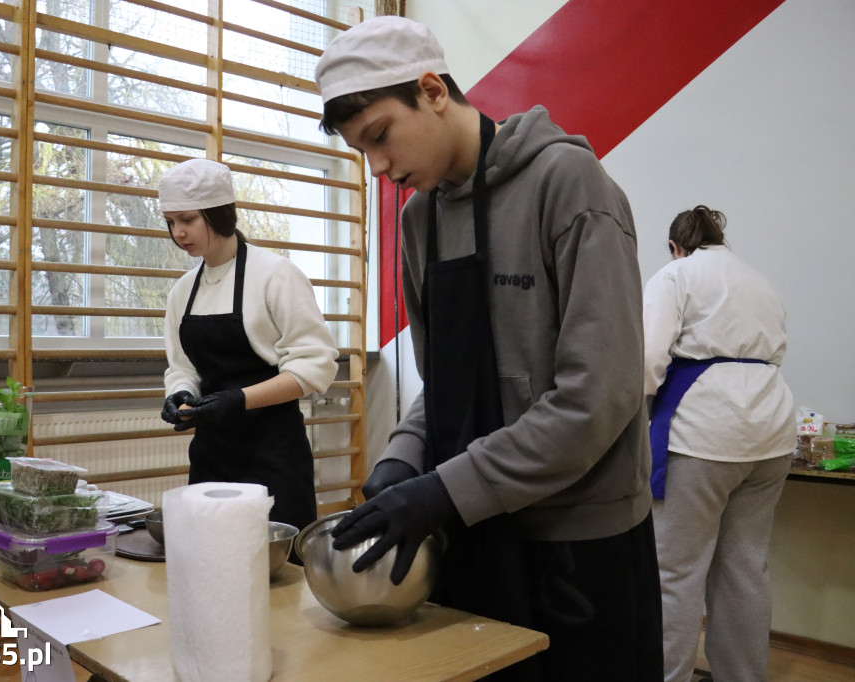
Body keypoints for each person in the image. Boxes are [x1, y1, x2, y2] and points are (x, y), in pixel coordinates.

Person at [315, 16, 662, 681]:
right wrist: (399, 465)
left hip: (577, 542)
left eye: (380, 136)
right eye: (363, 150)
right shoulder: (420, 220)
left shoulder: (571, 186)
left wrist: (440, 490)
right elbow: (442, 385)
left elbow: (598, 398)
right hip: (473, 528)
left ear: (433, 90)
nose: (379, 167)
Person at [643, 205, 795, 682]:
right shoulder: (761, 281)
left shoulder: (676, 274)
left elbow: (647, 358)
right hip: (771, 431)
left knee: (675, 573)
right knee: (746, 569)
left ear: (675, 245)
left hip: (703, 432)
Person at [158, 158, 339, 535]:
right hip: (211, 457)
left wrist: (237, 400)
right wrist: (179, 395)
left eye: (188, 220)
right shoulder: (182, 292)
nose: (179, 233)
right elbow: (182, 367)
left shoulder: (275, 275)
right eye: (171, 222)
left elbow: (314, 367)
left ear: (219, 213)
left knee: (284, 576)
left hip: (273, 455)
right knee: (210, 560)